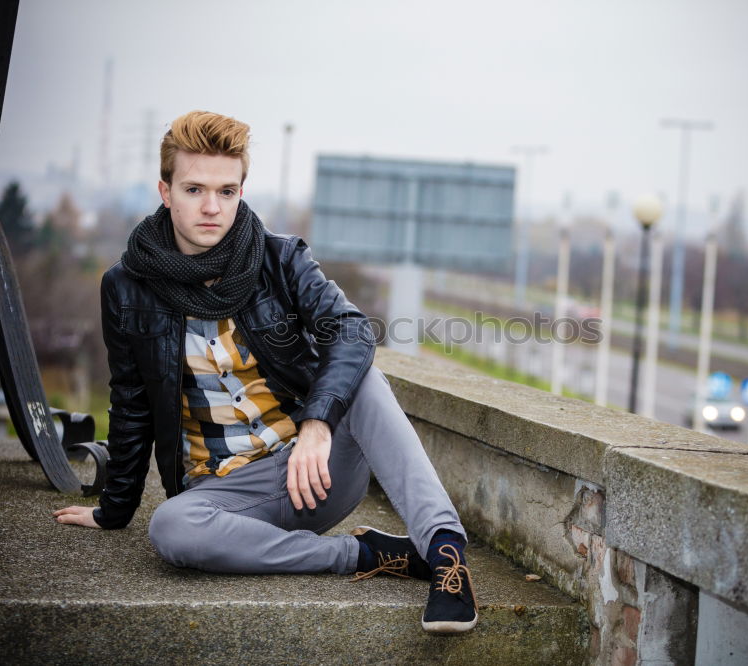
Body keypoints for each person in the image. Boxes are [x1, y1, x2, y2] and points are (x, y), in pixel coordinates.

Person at [53, 110, 477, 634]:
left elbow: (351, 330)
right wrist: (114, 509)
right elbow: (132, 398)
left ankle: (445, 554)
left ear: (241, 190)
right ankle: (366, 555)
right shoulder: (126, 286)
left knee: (364, 376)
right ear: (165, 192)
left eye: (227, 191)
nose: (212, 207)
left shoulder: (279, 257)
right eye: (194, 190)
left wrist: (317, 426)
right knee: (171, 529)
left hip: (313, 473)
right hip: (223, 492)